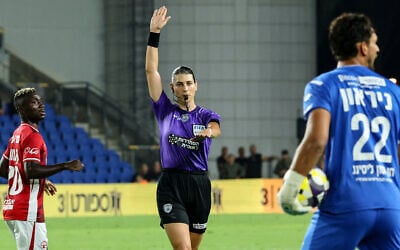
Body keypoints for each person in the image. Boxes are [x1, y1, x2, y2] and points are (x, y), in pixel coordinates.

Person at [278, 13, 400, 249]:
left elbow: (316, 141)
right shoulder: (393, 92)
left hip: (346, 204)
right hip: (391, 207)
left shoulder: (324, 85)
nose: (377, 48)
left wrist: (290, 188)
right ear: (362, 48)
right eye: (374, 42)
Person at [145, 6, 221, 250]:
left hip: (199, 185)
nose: (185, 88)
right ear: (172, 87)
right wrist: (154, 34)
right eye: (179, 84)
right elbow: (150, 70)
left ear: (196, 86)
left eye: (189, 83)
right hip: (171, 184)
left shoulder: (206, 114)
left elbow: (216, 128)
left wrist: (209, 132)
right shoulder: (165, 110)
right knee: (183, 249)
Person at [0, 87, 84, 249]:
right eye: (34, 102)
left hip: (14, 207)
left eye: (40, 101)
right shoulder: (32, 135)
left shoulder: (17, 134)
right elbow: (30, 170)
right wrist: (65, 165)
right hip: (26, 209)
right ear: (22, 110)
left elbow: (3, 169)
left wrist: (41, 181)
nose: (41, 105)